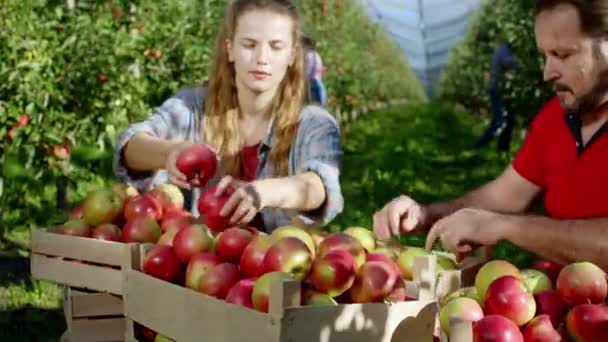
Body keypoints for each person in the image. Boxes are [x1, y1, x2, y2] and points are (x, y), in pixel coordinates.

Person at [373, 0, 608, 271]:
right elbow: (503, 196)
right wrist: (425, 214)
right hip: (557, 302)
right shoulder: (555, 118)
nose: (547, 73)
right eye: (545, 56)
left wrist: (507, 226)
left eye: (563, 55)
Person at [113, 0, 344, 233]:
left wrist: (262, 192)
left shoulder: (313, 124)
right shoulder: (194, 107)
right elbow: (130, 145)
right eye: (249, 44)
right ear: (230, 48)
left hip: (274, 263)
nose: (261, 58)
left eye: (276, 47)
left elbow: (317, 186)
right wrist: (170, 152)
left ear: (292, 55)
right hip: (195, 262)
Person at [474, 42, 518, 151]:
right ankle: (479, 145)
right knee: (500, 120)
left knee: (508, 119)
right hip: (499, 89)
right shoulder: (503, 49)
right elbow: (507, 62)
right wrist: (522, 62)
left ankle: (502, 148)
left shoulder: (503, 48)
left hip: (502, 89)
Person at [302, 36, 327, 106]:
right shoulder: (315, 54)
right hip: (318, 80)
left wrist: (303, 79)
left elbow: (308, 69)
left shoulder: (309, 55)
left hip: (312, 81)